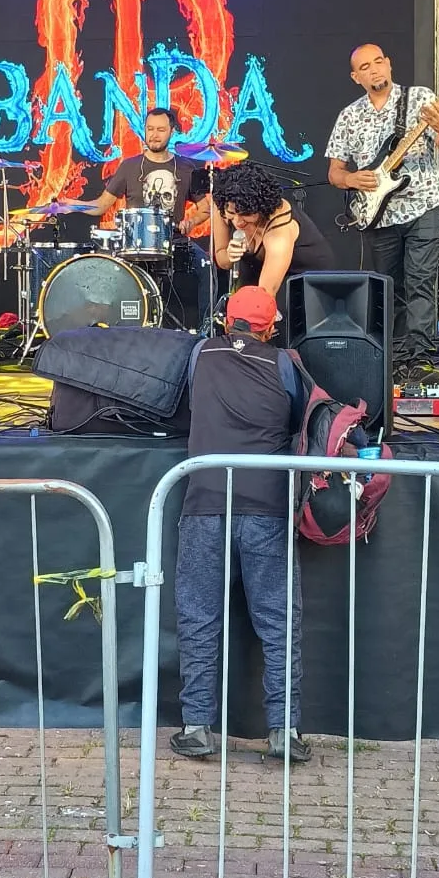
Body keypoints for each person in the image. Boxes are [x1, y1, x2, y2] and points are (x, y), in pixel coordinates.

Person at [171, 285, 311, 763]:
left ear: (226, 320)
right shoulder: (285, 363)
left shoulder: (199, 354)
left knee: (198, 616)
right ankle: (284, 732)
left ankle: (196, 727)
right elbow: (301, 417)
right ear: (270, 327)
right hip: (266, 502)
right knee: (278, 620)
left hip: (205, 498)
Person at [325, 44, 439, 382]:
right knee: (391, 288)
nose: (374, 69)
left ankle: (421, 359)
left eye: (378, 61)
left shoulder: (420, 98)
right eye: (365, 67)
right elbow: (334, 172)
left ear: (388, 64)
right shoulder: (349, 116)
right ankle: (397, 361)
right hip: (379, 214)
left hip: (423, 205)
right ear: (356, 77)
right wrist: (352, 179)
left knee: (420, 283)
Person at [84, 108, 215, 325]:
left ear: (172, 131)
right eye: (150, 129)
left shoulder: (185, 167)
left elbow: (205, 208)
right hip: (134, 244)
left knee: (206, 266)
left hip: (175, 242)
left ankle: (206, 327)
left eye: (160, 130)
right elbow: (101, 205)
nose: (154, 135)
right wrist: (69, 205)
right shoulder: (130, 166)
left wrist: (191, 222)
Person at [211, 161, 334, 338]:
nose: (237, 221)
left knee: (268, 323)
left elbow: (265, 296)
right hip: (257, 270)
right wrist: (230, 255)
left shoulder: (279, 231)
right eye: (232, 214)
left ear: (261, 208)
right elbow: (222, 261)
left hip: (303, 278)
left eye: (245, 214)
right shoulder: (223, 206)